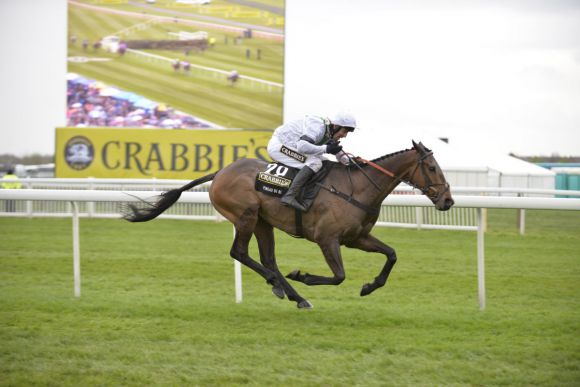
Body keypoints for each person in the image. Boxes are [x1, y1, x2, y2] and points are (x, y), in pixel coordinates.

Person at [267, 112, 357, 211]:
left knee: (326, 162)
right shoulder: (318, 127)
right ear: (336, 126)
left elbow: (338, 153)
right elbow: (302, 146)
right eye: (344, 131)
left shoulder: (330, 131)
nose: (345, 135)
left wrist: (351, 161)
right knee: (315, 163)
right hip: (279, 146)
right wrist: (326, 149)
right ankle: (289, 196)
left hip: (292, 146)